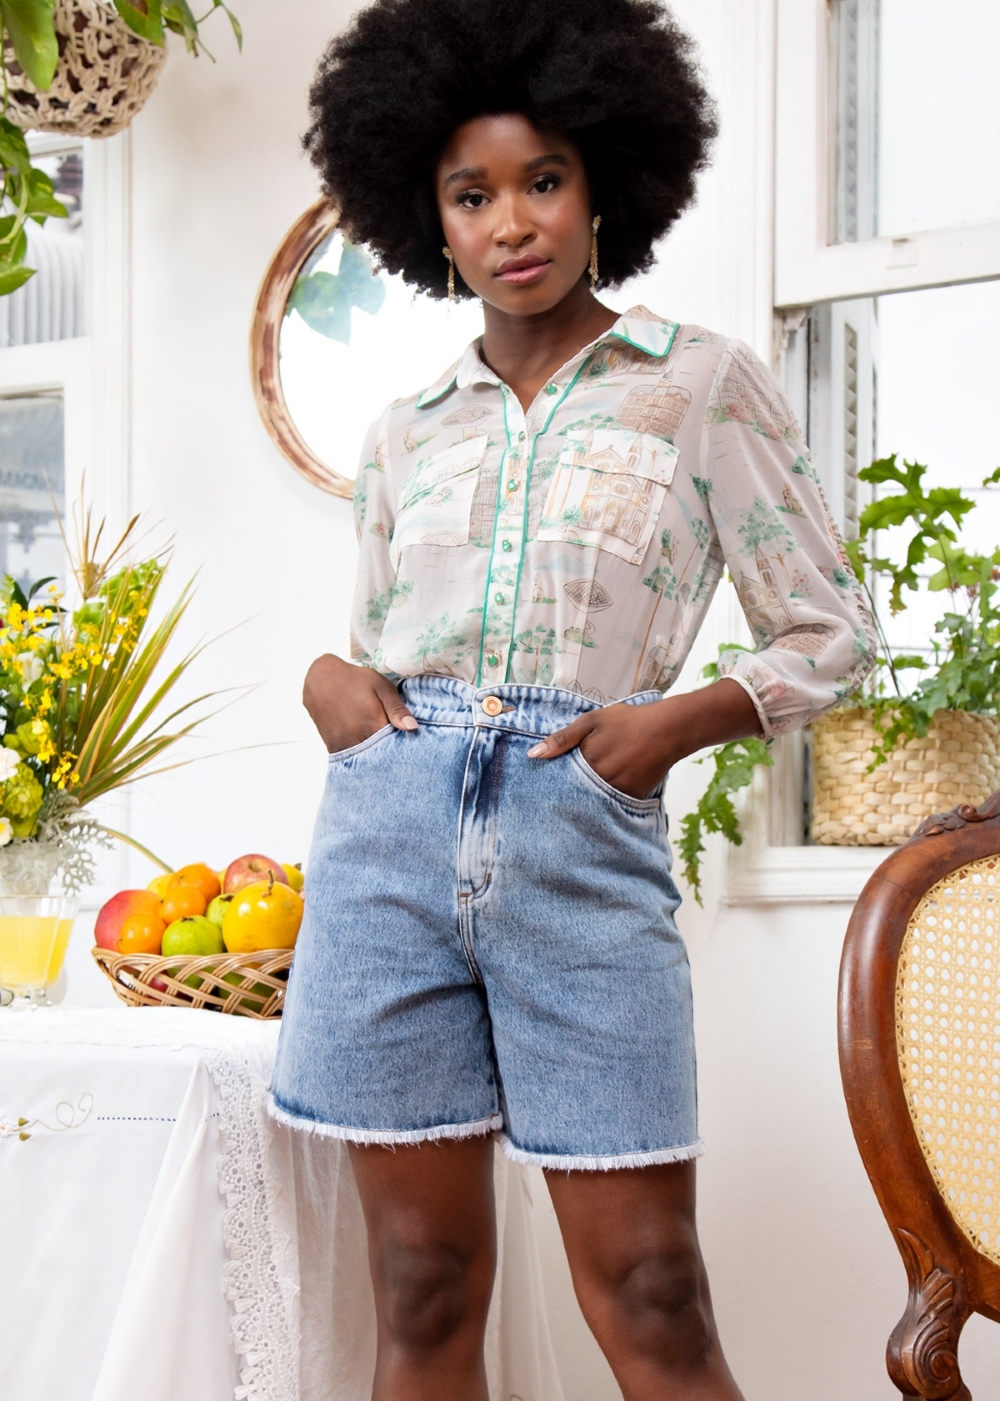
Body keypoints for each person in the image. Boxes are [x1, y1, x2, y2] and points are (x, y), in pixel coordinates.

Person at [270, 2, 876, 1397]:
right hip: (387, 852)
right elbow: (378, 642)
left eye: (542, 180)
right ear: (428, 219)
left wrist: (670, 726)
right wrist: (328, 683)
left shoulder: (699, 385)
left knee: (655, 1290)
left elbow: (832, 632)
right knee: (421, 1284)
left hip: (579, 844)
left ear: (604, 186)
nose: (512, 223)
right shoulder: (405, 428)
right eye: (470, 194)